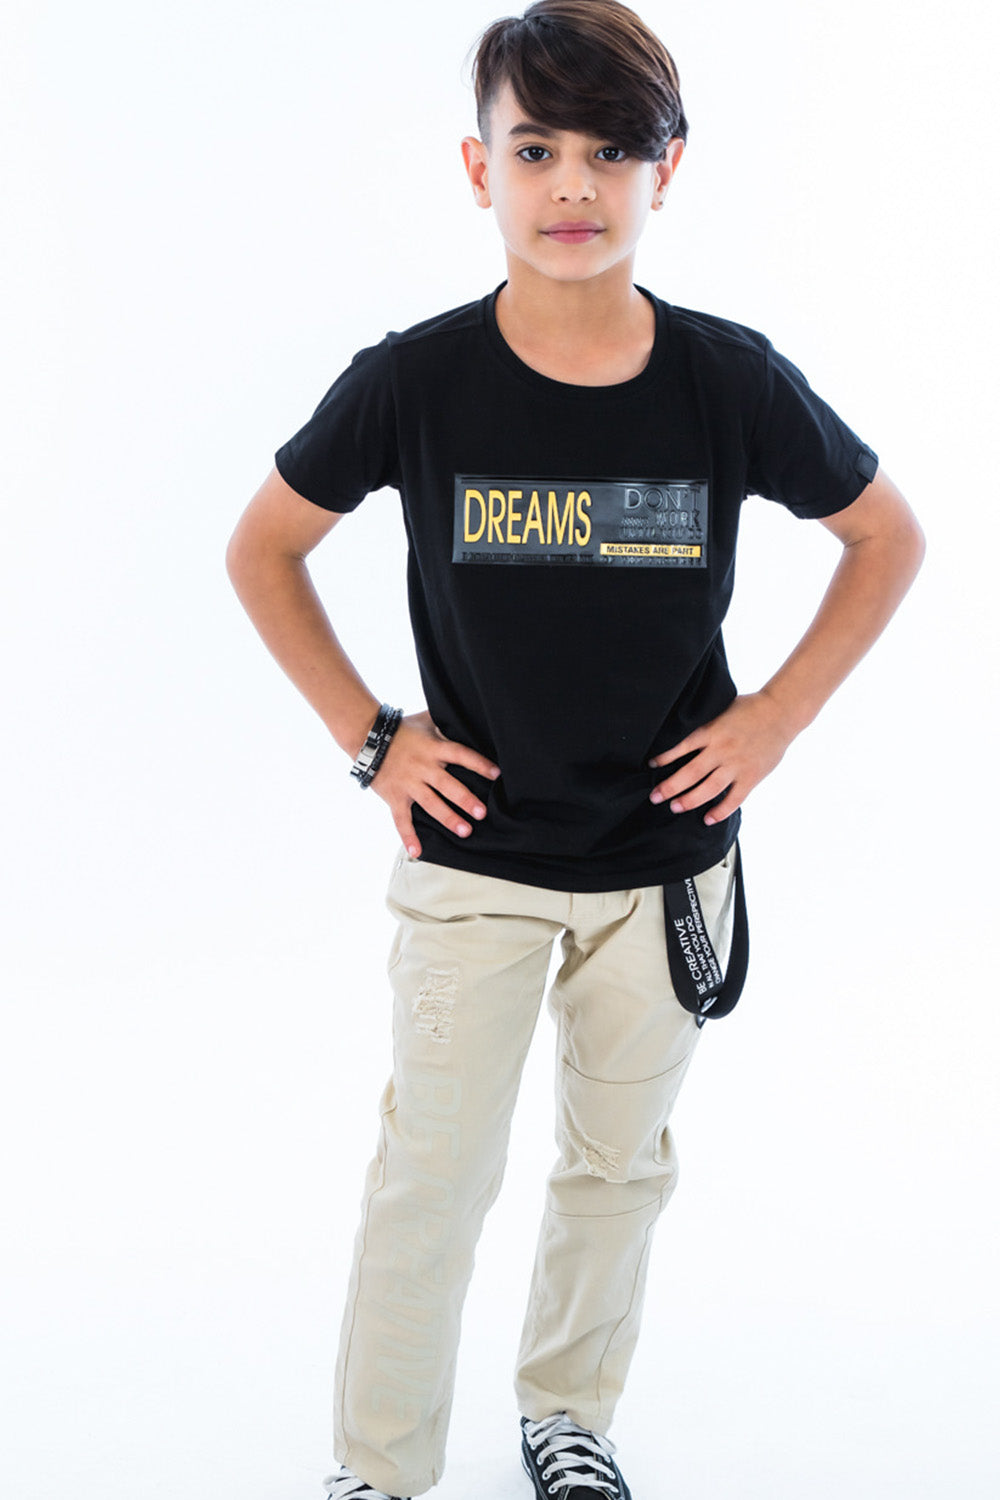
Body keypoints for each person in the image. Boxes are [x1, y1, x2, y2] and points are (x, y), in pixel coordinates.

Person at [225, 3, 925, 1497]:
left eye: (613, 151)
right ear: (476, 167)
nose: (573, 186)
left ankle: (568, 1414)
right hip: (473, 860)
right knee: (432, 1177)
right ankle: (379, 1467)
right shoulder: (415, 382)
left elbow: (886, 536)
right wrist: (373, 738)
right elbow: (263, 548)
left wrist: (774, 718)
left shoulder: (729, 381)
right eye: (536, 148)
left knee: (617, 1166)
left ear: (669, 169)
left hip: (666, 865)